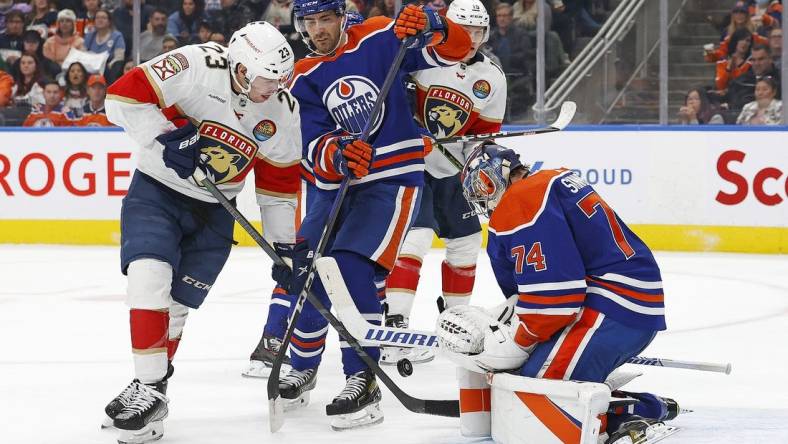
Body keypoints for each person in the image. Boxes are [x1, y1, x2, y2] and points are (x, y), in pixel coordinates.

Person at [268, 0, 471, 430]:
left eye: (326, 19)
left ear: (342, 17)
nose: (319, 29)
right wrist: (337, 154)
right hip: (333, 191)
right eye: (311, 21)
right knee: (307, 270)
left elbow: (457, 49)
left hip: (390, 181)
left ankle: (362, 378)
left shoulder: (380, 36)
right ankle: (303, 367)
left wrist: (436, 23)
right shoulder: (302, 74)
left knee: (348, 267)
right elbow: (311, 142)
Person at [101, 21, 301, 443]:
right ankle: (152, 389)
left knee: (174, 310)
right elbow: (120, 97)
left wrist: (286, 249)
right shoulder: (197, 63)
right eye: (268, 79)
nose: (274, 89)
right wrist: (167, 137)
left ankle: (148, 388)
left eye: (281, 80)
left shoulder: (282, 108)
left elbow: (278, 187)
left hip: (215, 211)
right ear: (242, 68)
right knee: (147, 279)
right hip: (156, 192)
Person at [443, 141, 680, 443]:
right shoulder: (550, 180)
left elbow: (554, 302)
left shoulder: (521, 199)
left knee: (534, 387)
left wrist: (518, 341)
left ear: (496, 174)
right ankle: (649, 405)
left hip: (612, 309)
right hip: (624, 303)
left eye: (482, 187)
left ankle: (629, 417)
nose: (484, 201)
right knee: (535, 383)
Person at [382, 0, 506, 366]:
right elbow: (388, 106)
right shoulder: (422, 59)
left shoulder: (492, 77)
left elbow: (484, 137)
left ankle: (457, 325)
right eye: (464, 30)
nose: (471, 39)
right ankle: (395, 325)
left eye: (478, 31)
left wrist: (480, 159)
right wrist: (409, 134)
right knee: (415, 239)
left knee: (467, 244)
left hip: (452, 172)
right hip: (411, 165)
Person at [727, 44, 781, 112]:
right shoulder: (740, 81)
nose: (756, 63)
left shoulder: (782, 80)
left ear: (770, 59)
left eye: (761, 59)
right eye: (753, 60)